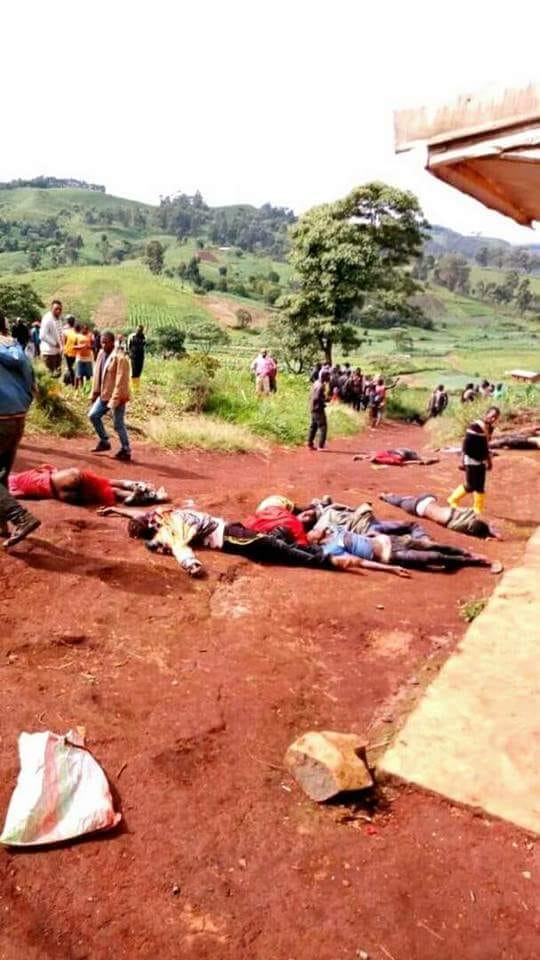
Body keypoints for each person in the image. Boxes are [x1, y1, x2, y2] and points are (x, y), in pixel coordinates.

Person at [307, 517, 497, 574]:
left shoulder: (335, 530)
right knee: (435, 558)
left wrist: (372, 534)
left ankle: (469, 553)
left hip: (390, 540)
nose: (317, 528)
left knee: (435, 546)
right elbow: (360, 562)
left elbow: (356, 537)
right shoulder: (331, 549)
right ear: (314, 540)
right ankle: (475, 562)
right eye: (314, 531)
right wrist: (392, 569)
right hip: (389, 556)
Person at [0, 313, 41, 547]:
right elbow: (31, 380)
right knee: (2, 473)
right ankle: (2, 524)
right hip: (17, 417)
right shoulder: (13, 345)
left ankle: (20, 517)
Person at [9, 464, 168, 507]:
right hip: (56, 480)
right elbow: (48, 468)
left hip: (60, 495)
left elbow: (19, 496)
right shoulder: (15, 477)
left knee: (106, 492)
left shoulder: (11, 490)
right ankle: (136, 487)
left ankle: (142, 496)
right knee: (102, 482)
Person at [380, 492, 501, 540]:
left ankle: (390, 496)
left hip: (429, 498)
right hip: (419, 508)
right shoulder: (455, 525)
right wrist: (487, 536)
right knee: (401, 503)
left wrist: (492, 531)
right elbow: (475, 531)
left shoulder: (467, 513)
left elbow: (481, 521)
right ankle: (387, 497)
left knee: (405, 501)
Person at [448, 406, 501, 515]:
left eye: (495, 418)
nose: (493, 419)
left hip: (481, 459)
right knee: (470, 486)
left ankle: (478, 509)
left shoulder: (490, 428)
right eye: (492, 416)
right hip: (471, 459)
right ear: (486, 414)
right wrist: (462, 460)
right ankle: (453, 499)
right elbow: (465, 444)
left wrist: (489, 461)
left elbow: (486, 446)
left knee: (480, 486)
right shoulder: (475, 426)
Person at [89, 331, 132, 461]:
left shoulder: (120, 357)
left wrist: (116, 399)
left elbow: (121, 380)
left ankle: (126, 449)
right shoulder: (101, 354)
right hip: (104, 394)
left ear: (112, 342)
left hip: (117, 396)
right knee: (93, 415)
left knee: (118, 424)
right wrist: (94, 392)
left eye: (105, 342)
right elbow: (97, 374)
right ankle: (104, 441)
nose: (103, 345)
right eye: (101, 342)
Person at [39, 299, 64, 376]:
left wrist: (61, 345)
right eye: (56, 309)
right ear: (51, 309)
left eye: (60, 309)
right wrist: (55, 343)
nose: (58, 311)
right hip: (49, 353)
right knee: (50, 376)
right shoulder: (47, 318)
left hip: (57, 352)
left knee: (57, 375)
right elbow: (42, 335)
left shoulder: (58, 318)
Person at [308, 369, 330, 450]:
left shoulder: (316, 383)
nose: (329, 377)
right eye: (328, 376)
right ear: (324, 376)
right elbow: (317, 397)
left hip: (312, 407)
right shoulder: (320, 385)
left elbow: (311, 395)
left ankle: (310, 443)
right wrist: (325, 400)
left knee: (313, 426)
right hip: (318, 408)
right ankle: (321, 446)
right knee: (323, 426)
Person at [353, 447, 438, 466]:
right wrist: (359, 457)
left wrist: (416, 462)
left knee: (419, 459)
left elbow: (402, 463)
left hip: (402, 454)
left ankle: (433, 459)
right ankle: (433, 459)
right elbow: (367, 456)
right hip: (399, 450)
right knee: (419, 457)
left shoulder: (383, 460)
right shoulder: (377, 455)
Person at [128, 325, 146, 389]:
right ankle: (133, 388)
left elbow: (144, 347)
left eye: (140, 330)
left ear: (142, 330)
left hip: (141, 358)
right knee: (134, 373)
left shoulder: (143, 337)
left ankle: (137, 388)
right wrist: (130, 355)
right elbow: (129, 347)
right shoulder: (131, 336)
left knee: (138, 373)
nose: (139, 331)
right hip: (133, 357)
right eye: (138, 329)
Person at [62, 316, 78, 386]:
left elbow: (63, 342)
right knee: (72, 367)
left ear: (67, 322)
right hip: (75, 352)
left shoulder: (64, 331)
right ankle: (72, 382)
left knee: (69, 367)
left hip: (67, 352)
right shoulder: (76, 330)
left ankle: (69, 382)